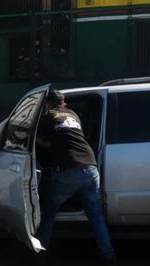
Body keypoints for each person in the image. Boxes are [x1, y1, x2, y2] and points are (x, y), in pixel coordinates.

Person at [35, 90, 116, 265]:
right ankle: (108, 255)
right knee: (95, 215)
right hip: (91, 166)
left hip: (70, 170)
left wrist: (41, 143)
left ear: (47, 104)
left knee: (49, 210)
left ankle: (40, 252)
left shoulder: (48, 116)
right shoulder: (73, 115)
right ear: (63, 103)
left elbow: (35, 136)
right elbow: (67, 139)